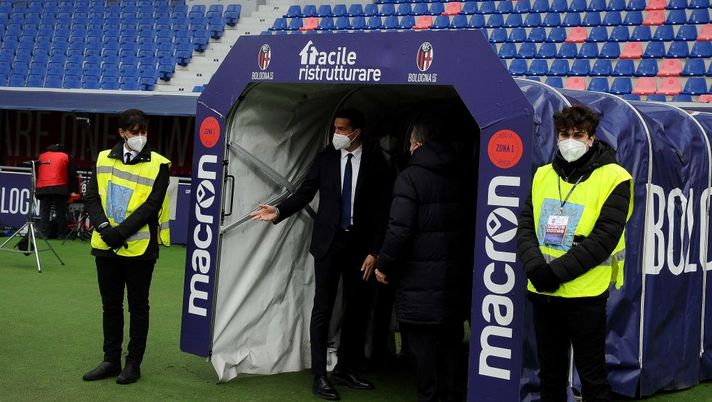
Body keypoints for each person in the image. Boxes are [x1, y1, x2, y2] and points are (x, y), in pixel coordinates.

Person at [251, 109, 393, 401]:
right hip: (328, 244)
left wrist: (375, 251)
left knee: (356, 310)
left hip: (360, 248)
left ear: (357, 132)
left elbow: (383, 211)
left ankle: (346, 368)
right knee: (323, 308)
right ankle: (320, 375)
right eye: (335, 128)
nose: (337, 134)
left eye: (343, 129)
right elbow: (304, 193)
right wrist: (277, 210)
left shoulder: (377, 162)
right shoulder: (326, 158)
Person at [516, 105, 633, 402]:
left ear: (591, 138)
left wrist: (553, 273)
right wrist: (535, 268)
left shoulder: (616, 178)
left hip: (585, 296)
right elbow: (526, 225)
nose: (570, 140)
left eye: (578, 134)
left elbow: (603, 240)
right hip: (543, 293)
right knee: (549, 376)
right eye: (564, 134)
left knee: (592, 378)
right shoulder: (542, 175)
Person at [374, 119, 472, 402]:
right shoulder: (462, 171)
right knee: (451, 346)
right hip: (454, 279)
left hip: (419, 283)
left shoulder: (409, 177)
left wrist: (384, 265)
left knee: (424, 352)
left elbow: (399, 230)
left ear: (415, 143)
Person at [83, 109, 171, 385]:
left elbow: (151, 206)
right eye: (135, 132)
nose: (140, 137)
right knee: (110, 306)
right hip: (106, 245)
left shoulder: (159, 164)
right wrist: (106, 229)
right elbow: (92, 198)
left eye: (144, 131)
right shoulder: (101, 158)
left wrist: (119, 232)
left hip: (140, 249)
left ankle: (133, 364)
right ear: (122, 133)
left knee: (138, 307)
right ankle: (111, 360)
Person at [35, 143, 78, 239]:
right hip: (59, 186)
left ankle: (44, 233)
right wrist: (74, 190)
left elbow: (37, 172)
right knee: (60, 212)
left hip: (43, 187)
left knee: (45, 212)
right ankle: (61, 234)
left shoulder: (42, 156)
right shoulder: (65, 156)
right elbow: (72, 174)